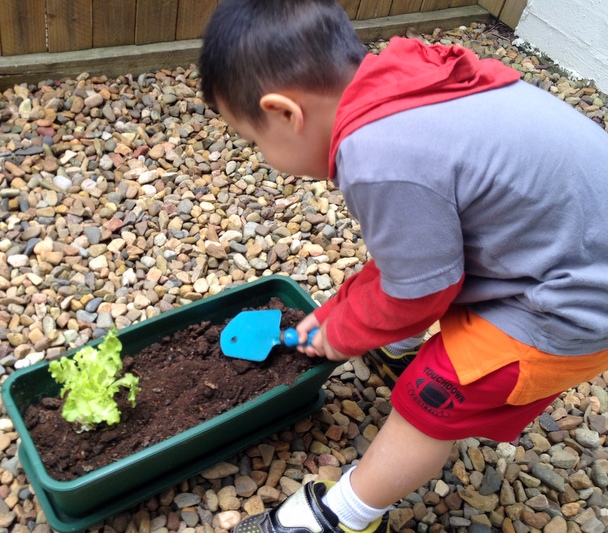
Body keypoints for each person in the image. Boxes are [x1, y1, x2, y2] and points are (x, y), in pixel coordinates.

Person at [198, 1, 608, 532]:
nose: (260, 155)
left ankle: (344, 517)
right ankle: (397, 346)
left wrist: (342, 333)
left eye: (255, 142)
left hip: (573, 303)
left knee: (429, 401)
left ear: (285, 114)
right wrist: (341, 310)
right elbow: (419, 256)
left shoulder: (380, 159)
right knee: (414, 266)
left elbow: (417, 293)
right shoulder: (404, 86)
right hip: (568, 246)